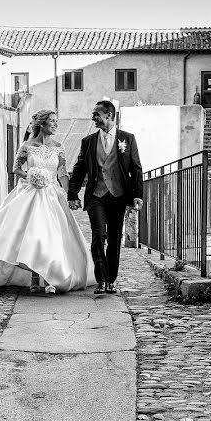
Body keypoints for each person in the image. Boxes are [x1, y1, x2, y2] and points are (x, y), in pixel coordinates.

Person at [0, 109, 93, 293]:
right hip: (31, 195)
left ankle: (51, 277)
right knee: (34, 237)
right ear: (42, 124)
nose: (56, 125)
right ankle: (36, 279)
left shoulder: (59, 147)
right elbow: (16, 168)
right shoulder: (27, 146)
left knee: (53, 237)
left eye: (56, 121)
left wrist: (67, 194)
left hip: (52, 195)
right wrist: (31, 176)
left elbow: (62, 173)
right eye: (52, 121)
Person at [68, 100, 143, 295]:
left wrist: (137, 195)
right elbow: (79, 168)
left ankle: (111, 280)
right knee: (98, 236)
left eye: (96, 114)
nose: (93, 118)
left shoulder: (128, 139)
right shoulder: (88, 141)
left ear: (109, 115)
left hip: (119, 196)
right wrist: (73, 193)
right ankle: (100, 279)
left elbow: (136, 169)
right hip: (96, 196)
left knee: (115, 238)